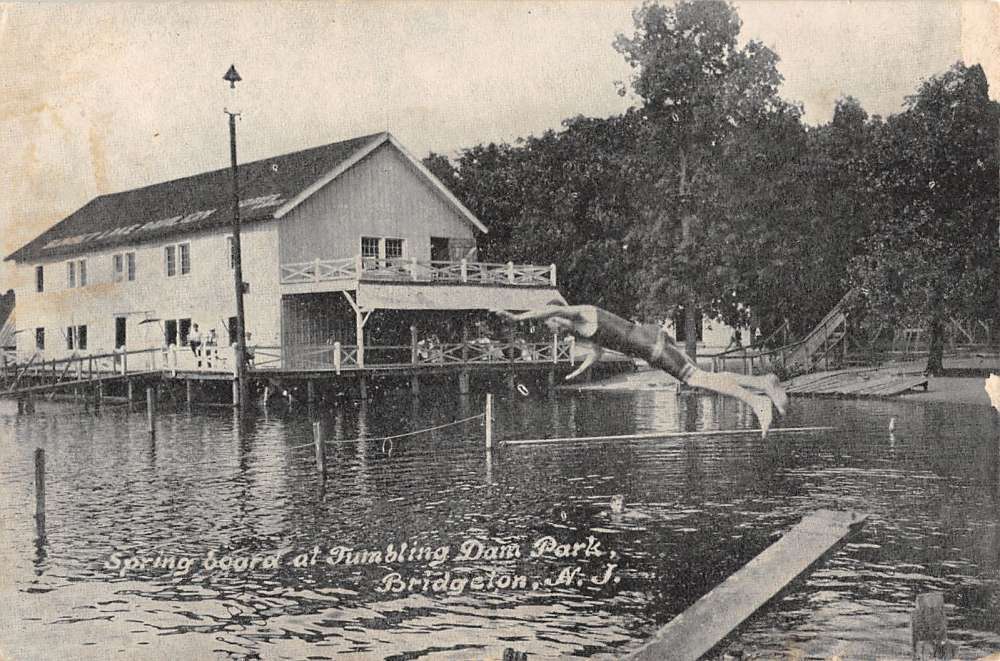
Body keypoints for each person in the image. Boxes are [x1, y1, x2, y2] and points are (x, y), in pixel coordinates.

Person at [494, 303, 788, 437]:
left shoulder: (581, 313)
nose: (554, 329)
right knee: (702, 378)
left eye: (553, 324)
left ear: (559, 316)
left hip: (650, 345)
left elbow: (551, 310)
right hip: (650, 347)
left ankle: (757, 400)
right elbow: (596, 354)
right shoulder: (585, 332)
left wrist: (516, 317)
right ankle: (762, 382)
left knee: (700, 379)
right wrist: (574, 373)